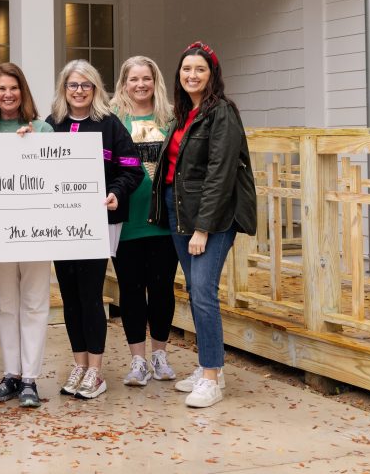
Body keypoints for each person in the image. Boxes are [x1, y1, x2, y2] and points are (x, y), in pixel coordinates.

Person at [150, 41, 256, 408]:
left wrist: (203, 228)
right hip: (180, 209)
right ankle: (210, 366)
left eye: (200, 70)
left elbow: (220, 174)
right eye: (186, 70)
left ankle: (211, 376)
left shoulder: (221, 113)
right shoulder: (184, 113)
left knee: (203, 291)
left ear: (213, 75)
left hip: (211, 217)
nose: (192, 75)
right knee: (196, 292)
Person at [45, 60, 143, 400]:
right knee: (70, 298)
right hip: (60, 227)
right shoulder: (52, 125)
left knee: (89, 295)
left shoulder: (109, 125)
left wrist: (116, 192)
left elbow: (133, 169)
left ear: (96, 89)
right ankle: (79, 364)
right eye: (73, 85)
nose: (79, 91)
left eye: (86, 85)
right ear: (64, 89)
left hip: (97, 225)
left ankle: (96, 371)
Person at [0, 63, 54, 409]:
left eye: (13, 88)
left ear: (23, 91)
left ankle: (30, 378)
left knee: (35, 303)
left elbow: (56, 176)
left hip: (37, 229)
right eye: (1, 89)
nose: (7, 94)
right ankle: (10, 373)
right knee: (5, 303)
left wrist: (34, 147)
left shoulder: (42, 129)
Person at [110, 56, 179, 387]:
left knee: (163, 289)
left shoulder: (171, 118)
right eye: (134, 79)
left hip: (164, 220)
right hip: (125, 220)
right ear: (124, 83)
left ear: (156, 81)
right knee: (132, 290)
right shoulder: (112, 120)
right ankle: (137, 359)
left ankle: (159, 355)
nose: (141, 85)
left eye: (146, 78)